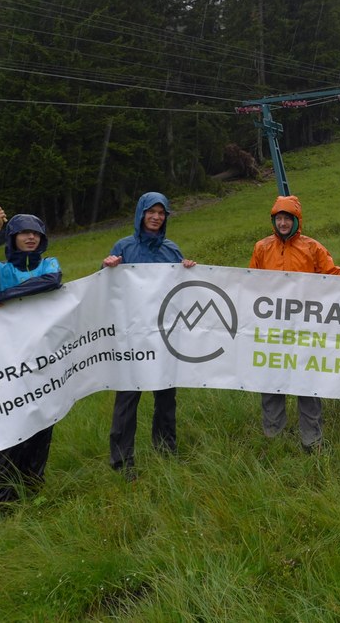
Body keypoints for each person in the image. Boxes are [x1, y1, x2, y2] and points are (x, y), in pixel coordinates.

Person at [0, 202, 63, 510]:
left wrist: (4, 296)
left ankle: (33, 488)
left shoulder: (48, 265)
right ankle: (2, 499)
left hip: (44, 362)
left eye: (35, 233)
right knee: (12, 428)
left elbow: (51, 282)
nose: (30, 238)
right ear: (13, 238)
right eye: (23, 233)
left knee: (42, 422)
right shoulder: (1, 272)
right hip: (10, 364)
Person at [101, 192, 196, 479]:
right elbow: (106, 288)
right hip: (132, 338)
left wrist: (189, 271)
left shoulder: (171, 250)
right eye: (151, 211)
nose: (156, 217)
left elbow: (183, 292)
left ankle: (166, 450)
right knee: (128, 399)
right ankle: (121, 461)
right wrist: (106, 268)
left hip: (164, 338)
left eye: (161, 212)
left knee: (166, 397)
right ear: (141, 213)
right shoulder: (124, 247)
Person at [249, 195, 340, 454]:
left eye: (287, 218)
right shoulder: (262, 248)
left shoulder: (312, 247)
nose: (282, 223)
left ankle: (312, 440)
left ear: (296, 221)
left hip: (306, 329)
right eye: (278, 218)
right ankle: (273, 437)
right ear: (274, 220)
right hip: (272, 329)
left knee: (307, 381)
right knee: (271, 381)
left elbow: (333, 274)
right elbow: (249, 283)